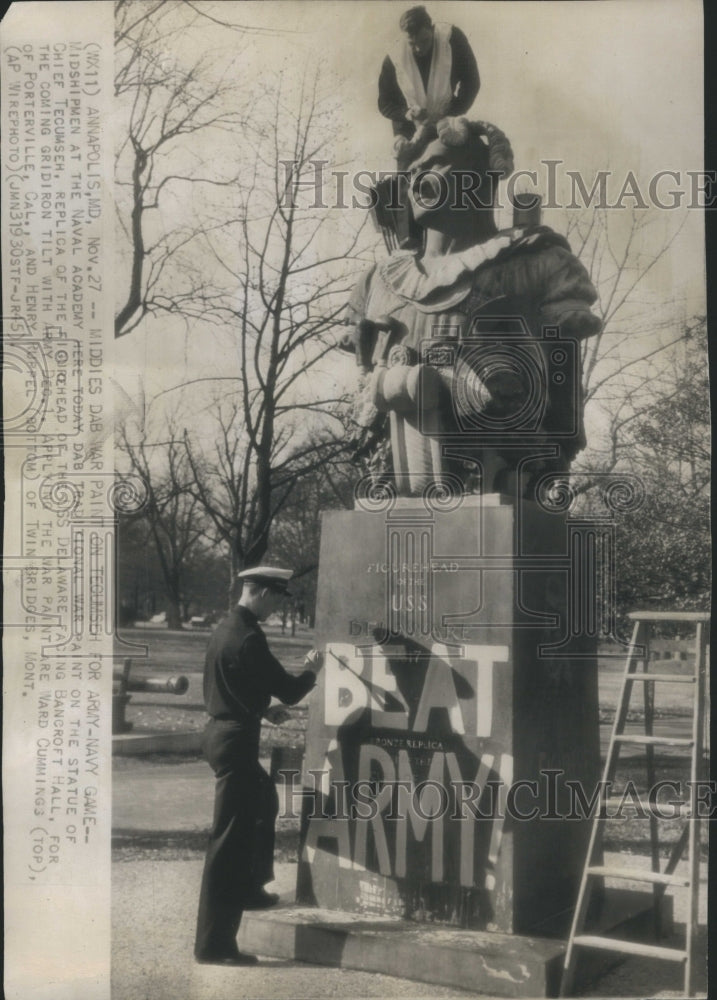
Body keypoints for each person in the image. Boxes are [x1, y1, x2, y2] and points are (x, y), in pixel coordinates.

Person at [194, 566, 322, 966]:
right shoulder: (249, 637)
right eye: (276, 599)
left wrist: (261, 710)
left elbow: (232, 681)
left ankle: (251, 887)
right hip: (235, 743)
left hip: (223, 731)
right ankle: (214, 946)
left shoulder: (226, 628)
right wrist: (312, 669)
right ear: (262, 592)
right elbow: (289, 687)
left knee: (264, 800)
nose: (276, 608)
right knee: (228, 845)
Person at [378, 6, 480, 161]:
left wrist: (454, 110)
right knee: (407, 180)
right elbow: (385, 103)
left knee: (460, 164)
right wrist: (407, 113)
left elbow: (472, 80)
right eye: (412, 44)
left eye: (424, 41)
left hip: (445, 124)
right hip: (409, 133)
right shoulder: (394, 58)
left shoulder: (452, 39)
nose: (419, 49)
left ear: (432, 29)